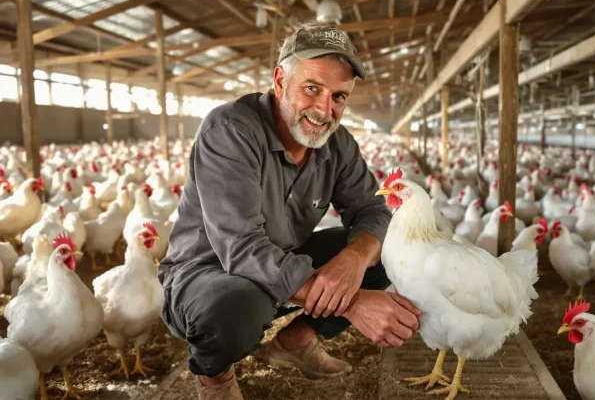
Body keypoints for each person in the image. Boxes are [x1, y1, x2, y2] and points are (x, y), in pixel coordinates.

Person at [158, 25, 422, 400]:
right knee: (233, 310)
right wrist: (353, 303)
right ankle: (215, 378)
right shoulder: (231, 131)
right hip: (209, 272)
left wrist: (354, 259)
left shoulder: (338, 144)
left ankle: (294, 343)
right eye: (312, 88)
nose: (324, 110)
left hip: (281, 260)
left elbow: (371, 209)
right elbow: (241, 248)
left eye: (339, 96)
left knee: (388, 252)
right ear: (280, 81)